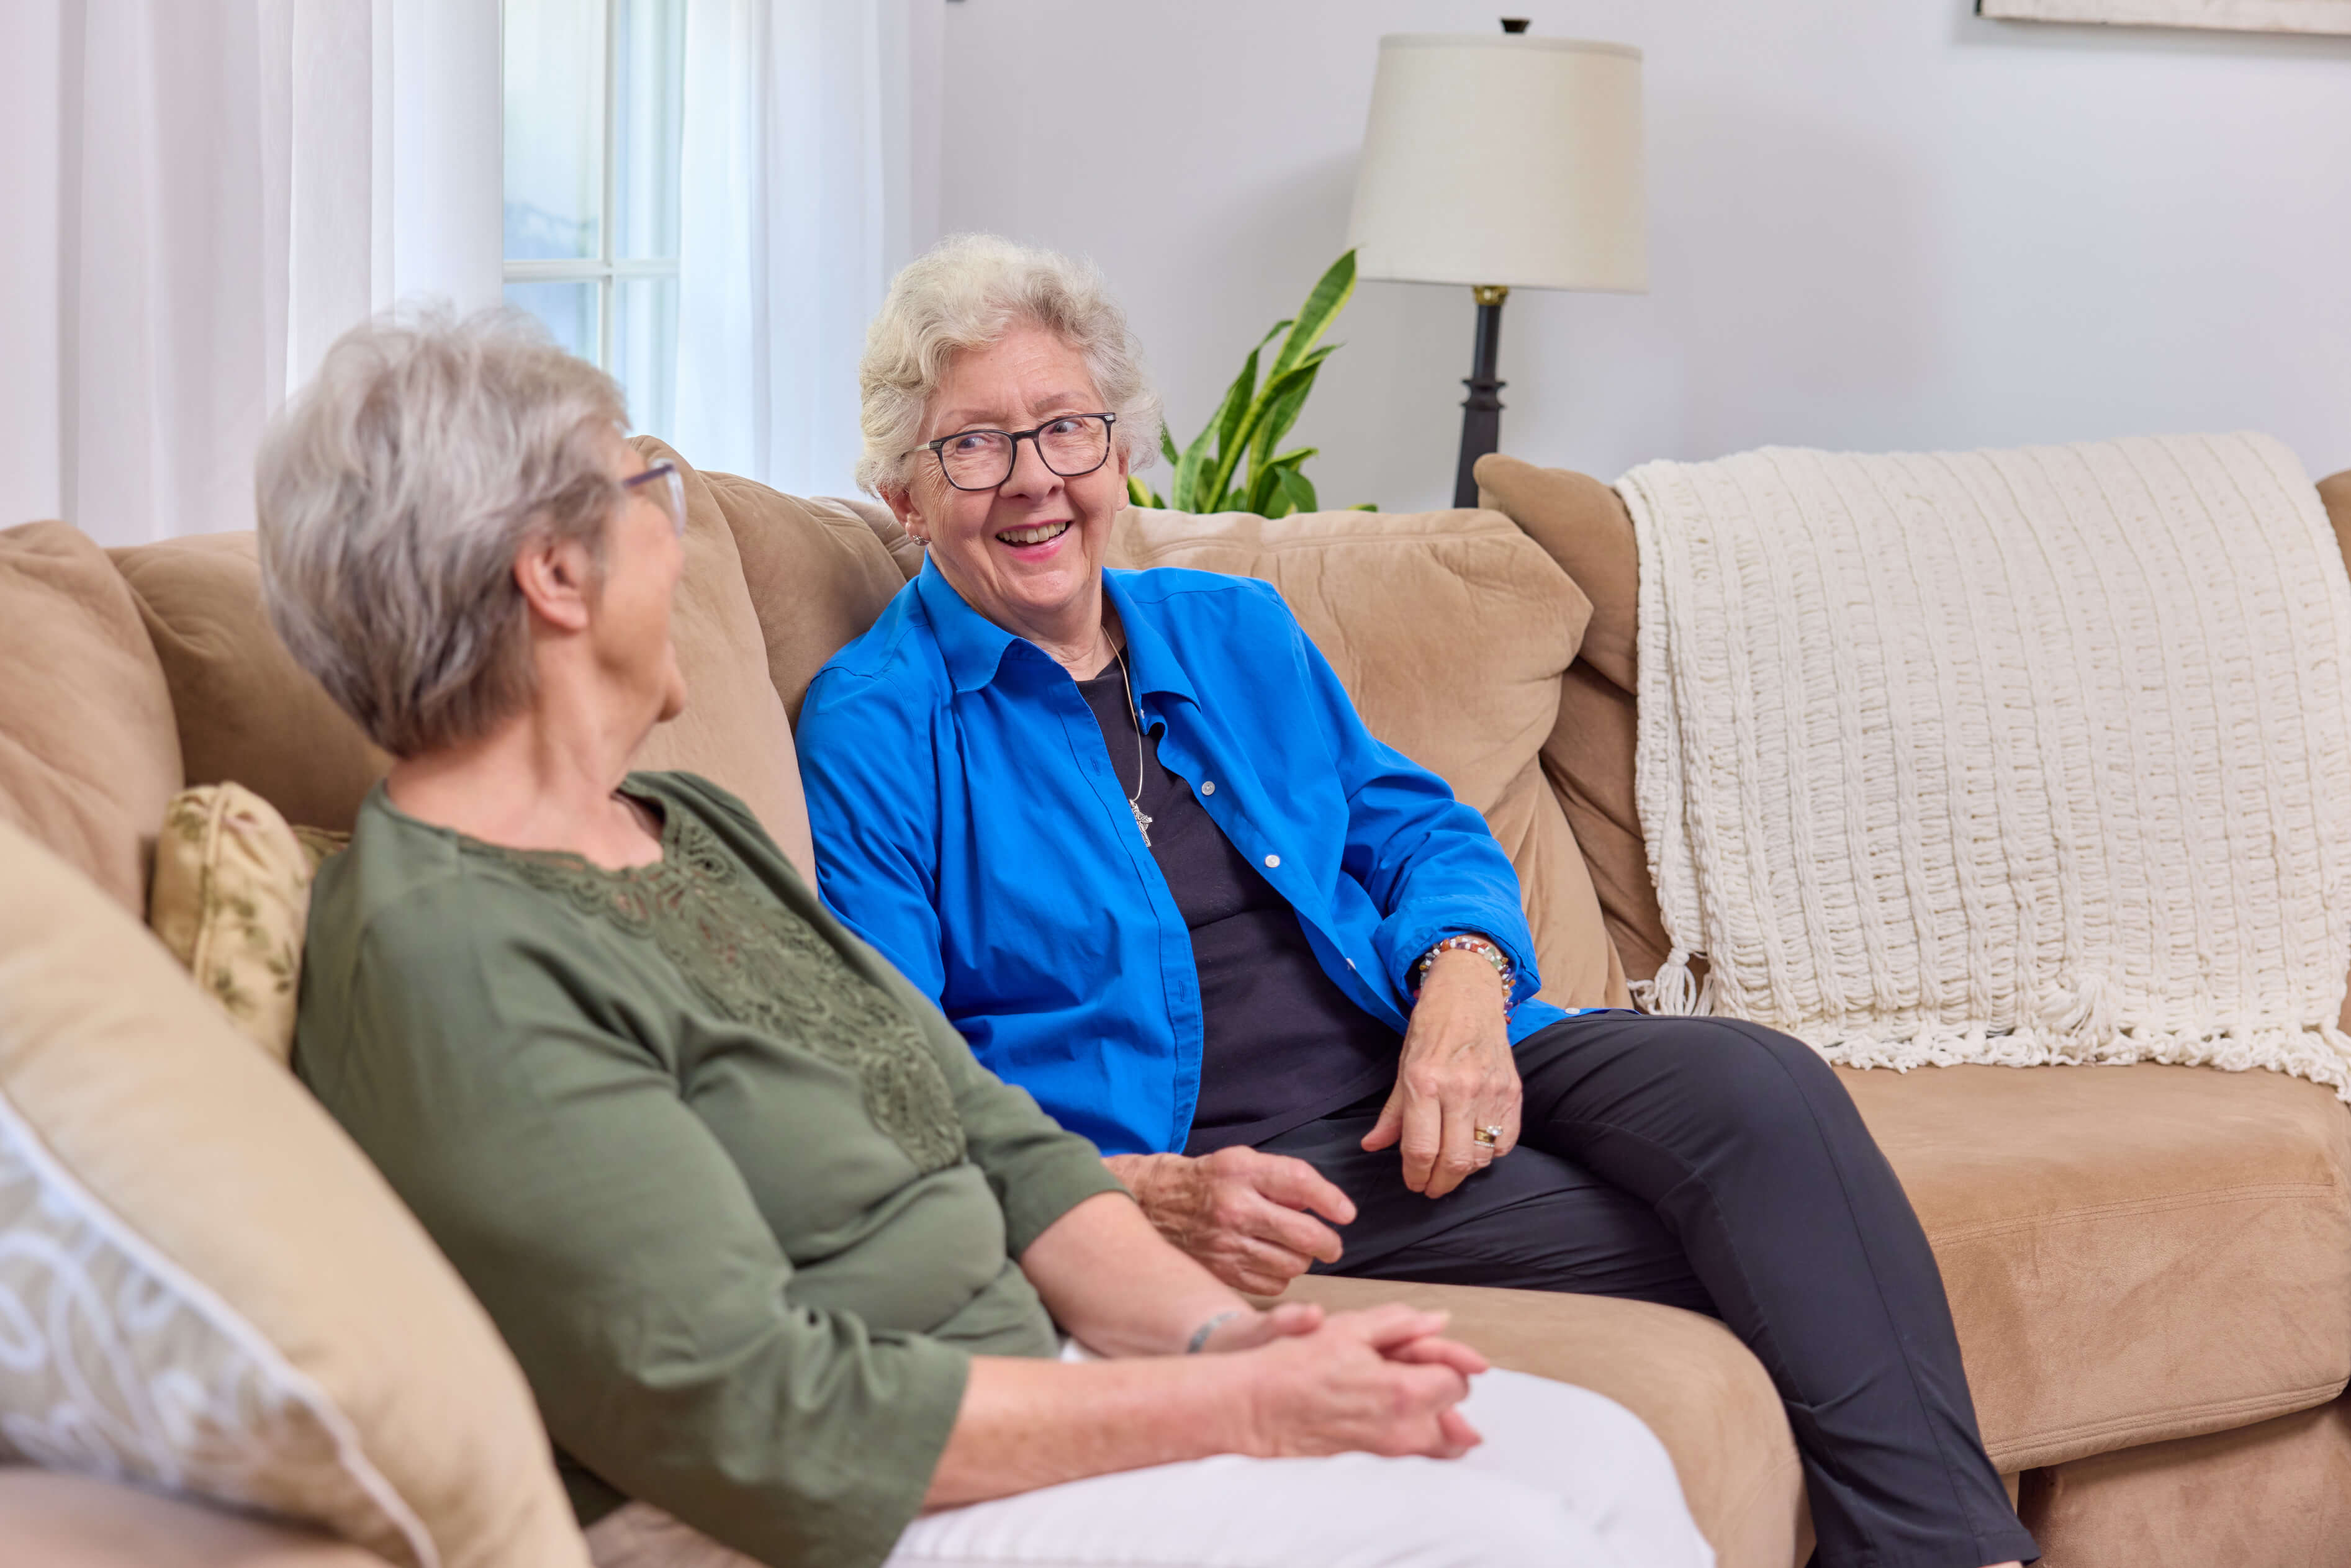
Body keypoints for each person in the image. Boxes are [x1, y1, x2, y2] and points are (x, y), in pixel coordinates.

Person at [261, 311, 1711, 1568]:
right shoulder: (453, 953)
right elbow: (763, 1418)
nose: (676, 524)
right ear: (554, 581)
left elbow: (986, 1136)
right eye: (643, 485)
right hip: (859, 1505)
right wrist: (1238, 1409)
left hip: (1019, 1372)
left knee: (1595, 1458)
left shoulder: (678, 829)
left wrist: (1226, 1343)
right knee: (1489, 1539)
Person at [795, 234, 2041, 1568]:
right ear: (905, 499)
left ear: (1118, 451)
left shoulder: (1230, 632)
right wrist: (1141, 1198)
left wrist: (1460, 987)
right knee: (1779, 1234)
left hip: (1422, 1060)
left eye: (1066, 431)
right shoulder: (878, 726)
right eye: (976, 446)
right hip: (1265, 1162)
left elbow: (1416, 832)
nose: (1035, 479)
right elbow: (901, 1077)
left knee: (1760, 1087)